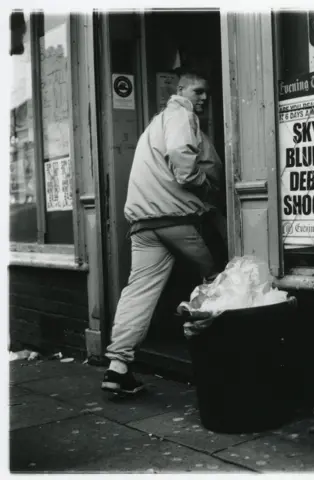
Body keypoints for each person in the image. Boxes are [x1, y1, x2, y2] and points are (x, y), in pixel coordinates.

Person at [101, 69, 226, 394]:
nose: (203, 98)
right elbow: (182, 161)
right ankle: (221, 359)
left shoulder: (155, 123)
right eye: (198, 90)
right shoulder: (180, 115)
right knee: (220, 278)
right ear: (182, 90)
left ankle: (117, 367)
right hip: (175, 220)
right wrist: (203, 185)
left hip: (144, 224)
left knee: (138, 292)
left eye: (205, 93)